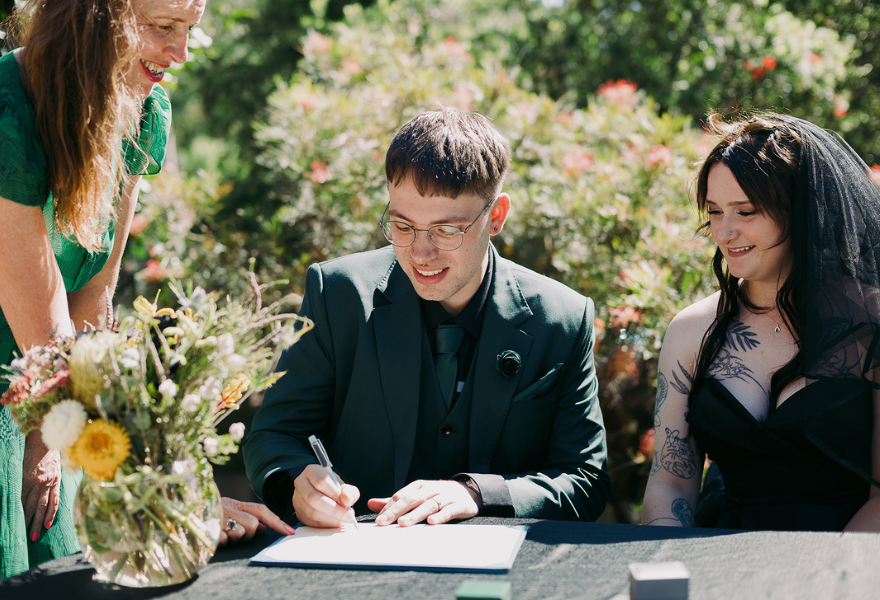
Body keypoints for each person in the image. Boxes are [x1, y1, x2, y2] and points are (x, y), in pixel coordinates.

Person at [0, 0, 290, 579]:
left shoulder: (146, 108)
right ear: (94, 17)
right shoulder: (8, 108)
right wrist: (169, 494)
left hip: (63, 381)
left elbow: (93, 293)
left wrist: (65, 435)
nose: (180, 53)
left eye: (189, 31)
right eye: (163, 28)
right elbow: (36, 313)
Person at [243, 107, 610, 528]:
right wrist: (298, 482)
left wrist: (476, 492)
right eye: (402, 226)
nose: (420, 253)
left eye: (446, 230)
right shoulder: (337, 293)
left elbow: (586, 479)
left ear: (496, 217)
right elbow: (273, 437)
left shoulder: (562, 318)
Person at [641, 112, 880, 531]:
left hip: (841, 570)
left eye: (745, 212)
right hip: (716, 562)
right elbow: (670, 480)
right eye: (715, 212)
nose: (724, 232)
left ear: (800, 213)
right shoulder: (691, 331)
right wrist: (666, 565)